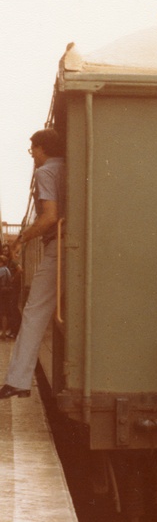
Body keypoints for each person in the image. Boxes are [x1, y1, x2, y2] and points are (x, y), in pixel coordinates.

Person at [0, 128, 65, 398]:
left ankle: (18, 381)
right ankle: (19, 381)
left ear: (42, 149)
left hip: (58, 245)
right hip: (78, 245)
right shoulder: (69, 167)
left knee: (34, 311)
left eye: (33, 151)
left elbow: (49, 217)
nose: (33, 156)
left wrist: (21, 239)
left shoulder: (45, 172)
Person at [0, 255, 12, 340]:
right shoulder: (7, 270)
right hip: (7, 293)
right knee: (4, 313)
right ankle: (4, 332)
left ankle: (3, 333)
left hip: (2, 292)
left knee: (3, 313)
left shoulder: (1, 270)